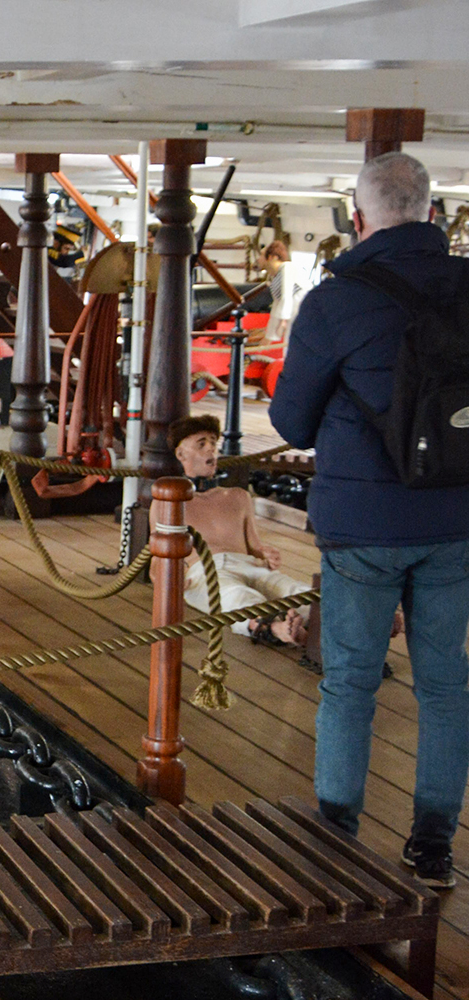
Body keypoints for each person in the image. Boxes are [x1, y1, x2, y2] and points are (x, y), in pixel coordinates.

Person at [270, 151, 469, 888]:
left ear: (357, 219)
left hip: (364, 522)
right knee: (447, 685)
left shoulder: (335, 302)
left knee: (350, 683)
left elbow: (292, 423)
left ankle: (337, 843)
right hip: (456, 517)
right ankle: (433, 844)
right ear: (433, 212)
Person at [170, 414, 312, 646]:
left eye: (214, 443)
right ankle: (276, 629)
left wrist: (266, 554)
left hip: (250, 565)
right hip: (204, 571)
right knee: (238, 597)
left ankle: (353, 624)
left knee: (296, 590)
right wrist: (168, 580)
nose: (211, 450)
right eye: (201, 444)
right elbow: (157, 559)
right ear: (181, 454)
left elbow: (255, 547)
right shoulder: (172, 501)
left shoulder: (238, 496)